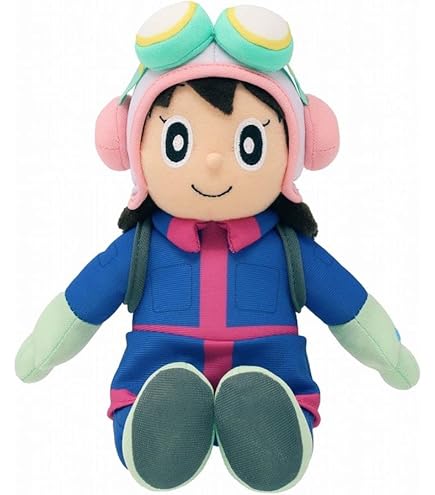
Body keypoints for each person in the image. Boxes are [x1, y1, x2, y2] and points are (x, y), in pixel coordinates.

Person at [15, 3, 419, 492]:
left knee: (272, 395)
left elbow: (346, 305)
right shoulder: (141, 247)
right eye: (177, 142)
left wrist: (389, 354)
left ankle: (268, 425)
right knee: (152, 396)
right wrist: (42, 351)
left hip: (268, 368)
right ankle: (159, 427)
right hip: (158, 371)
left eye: (249, 144)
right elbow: (82, 303)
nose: (211, 162)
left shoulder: (287, 247)